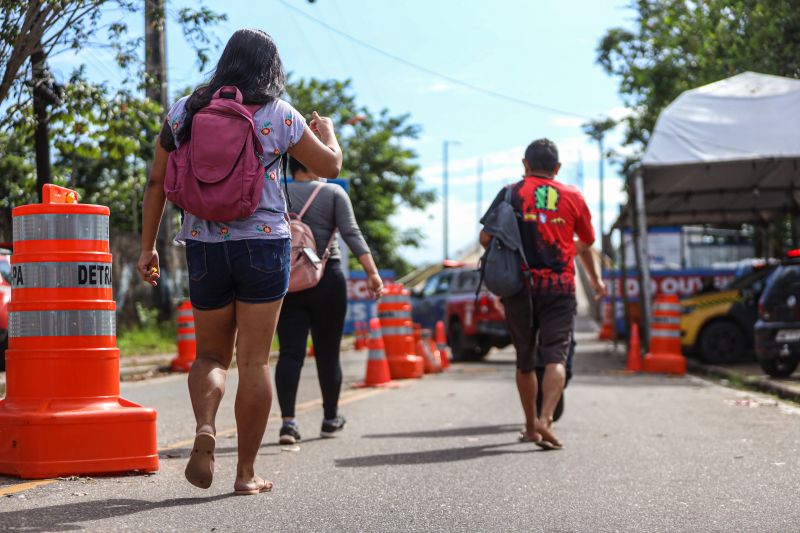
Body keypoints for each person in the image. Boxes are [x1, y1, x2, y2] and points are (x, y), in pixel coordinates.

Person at [137, 28, 343, 495]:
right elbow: (330, 169)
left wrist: (148, 247)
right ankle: (245, 473)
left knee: (210, 355)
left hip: (203, 244)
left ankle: (205, 428)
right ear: (271, 67)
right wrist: (329, 134)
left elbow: (155, 184)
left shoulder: (185, 111)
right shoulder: (278, 114)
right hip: (264, 243)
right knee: (253, 362)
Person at [480, 138, 605, 450]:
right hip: (561, 288)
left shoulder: (511, 193)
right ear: (557, 168)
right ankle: (545, 419)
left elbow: (485, 238)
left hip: (520, 288)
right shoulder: (573, 196)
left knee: (525, 359)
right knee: (556, 356)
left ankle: (530, 427)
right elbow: (587, 240)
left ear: (525, 164)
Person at [275, 157, 383, 445]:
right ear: (313, 163)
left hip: (286, 282)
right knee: (328, 352)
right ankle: (330, 418)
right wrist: (372, 273)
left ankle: (288, 423)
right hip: (327, 278)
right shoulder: (333, 193)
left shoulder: (275, 190)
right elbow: (352, 234)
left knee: (290, 353)